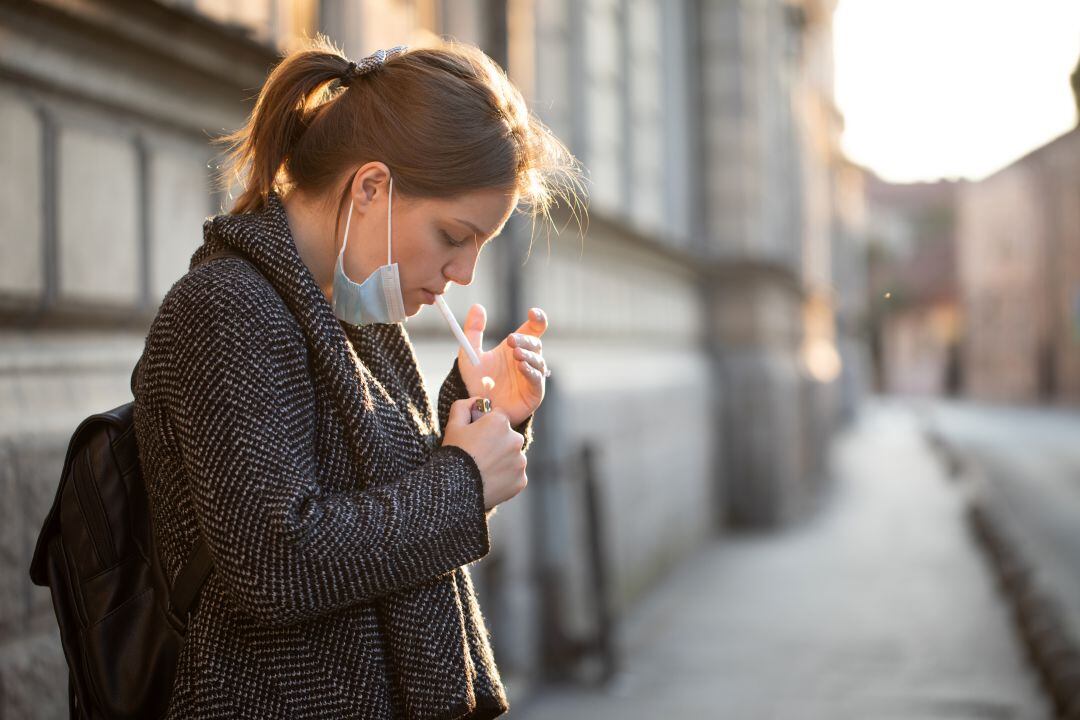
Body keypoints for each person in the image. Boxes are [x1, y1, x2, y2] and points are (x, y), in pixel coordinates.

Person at [131, 36, 581, 720]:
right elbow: (278, 562)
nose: (462, 274)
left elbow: (383, 523)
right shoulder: (227, 309)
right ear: (371, 187)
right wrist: (463, 481)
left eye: (479, 249)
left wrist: (484, 415)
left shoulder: (353, 316)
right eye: (454, 237)